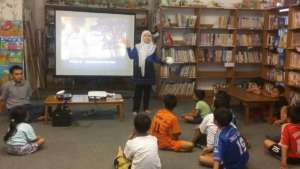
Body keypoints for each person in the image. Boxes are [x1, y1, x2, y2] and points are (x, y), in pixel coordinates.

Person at [123, 30, 164, 115]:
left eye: (149, 36)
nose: (147, 37)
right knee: (138, 92)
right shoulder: (137, 47)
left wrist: (163, 61)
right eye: (145, 35)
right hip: (139, 73)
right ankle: (135, 109)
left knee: (147, 92)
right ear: (142, 37)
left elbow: (155, 59)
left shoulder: (153, 48)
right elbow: (131, 56)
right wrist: (128, 46)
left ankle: (146, 108)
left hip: (149, 72)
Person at [264, 103, 300, 169]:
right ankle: (278, 139)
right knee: (285, 137)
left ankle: (277, 145)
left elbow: (284, 147)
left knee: (266, 142)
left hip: (291, 158)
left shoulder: (286, 127)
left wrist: (283, 164)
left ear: (288, 118)